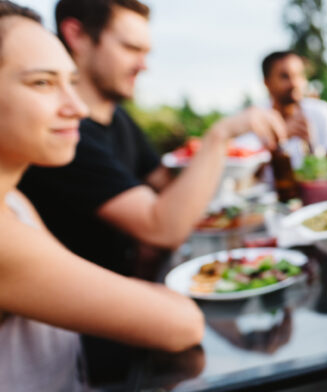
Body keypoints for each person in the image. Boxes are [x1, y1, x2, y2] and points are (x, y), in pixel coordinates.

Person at [17, 0, 284, 382]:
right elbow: (161, 225)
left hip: (118, 326)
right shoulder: (64, 143)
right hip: (96, 352)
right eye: (130, 48)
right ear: (77, 35)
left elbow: (156, 180)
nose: (144, 64)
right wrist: (219, 137)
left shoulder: (118, 120)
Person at [0, 3, 203, 391]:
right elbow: (181, 324)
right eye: (42, 82)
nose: (75, 107)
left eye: (71, 82)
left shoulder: (16, 204)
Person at [261, 50, 327, 169]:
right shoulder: (255, 119)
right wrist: (280, 137)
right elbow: (243, 174)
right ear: (267, 83)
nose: (294, 83)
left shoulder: (321, 111)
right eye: (284, 76)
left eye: (299, 75)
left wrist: (313, 147)